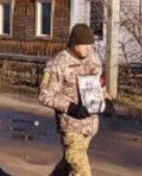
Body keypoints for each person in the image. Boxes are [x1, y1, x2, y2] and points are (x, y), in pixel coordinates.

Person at [38, 23, 115, 176]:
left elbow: (100, 85)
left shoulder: (93, 59)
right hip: (71, 125)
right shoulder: (57, 63)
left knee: (68, 164)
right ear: (73, 43)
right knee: (81, 169)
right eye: (84, 45)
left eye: (90, 45)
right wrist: (72, 108)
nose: (88, 49)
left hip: (90, 124)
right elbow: (45, 95)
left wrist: (107, 102)